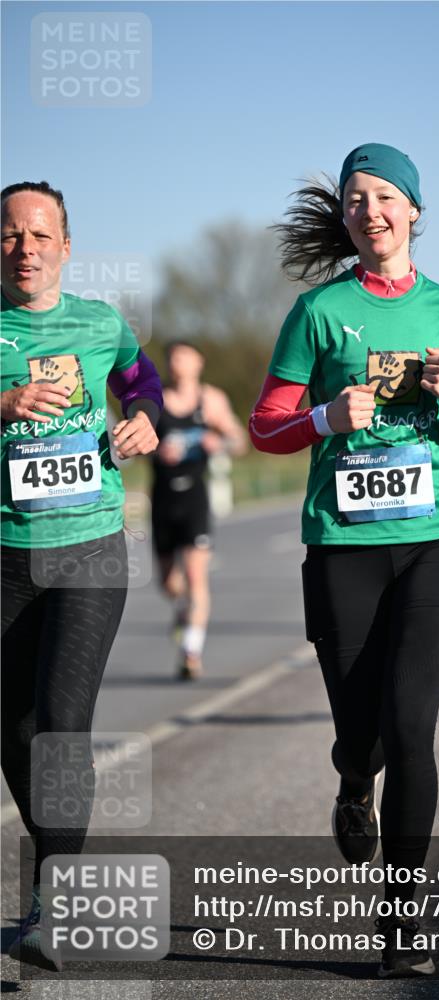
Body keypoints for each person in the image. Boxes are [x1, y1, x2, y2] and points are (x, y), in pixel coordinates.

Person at [249, 143, 439, 978]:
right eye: (355, 199)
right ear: (345, 217)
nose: (369, 211)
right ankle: (350, 781)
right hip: (344, 545)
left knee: (409, 728)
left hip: (438, 537)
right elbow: (264, 426)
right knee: (361, 736)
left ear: (412, 211)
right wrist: (325, 418)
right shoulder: (318, 312)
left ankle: (401, 926)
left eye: (384, 197)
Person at [1, 181, 162, 969]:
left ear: (65, 247)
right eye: (10, 235)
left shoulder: (101, 323)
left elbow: (141, 380)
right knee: (15, 730)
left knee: (62, 722)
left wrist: (146, 418)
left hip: (89, 544)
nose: (24, 249)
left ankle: (56, 898)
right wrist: (4, 404)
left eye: (39, 236)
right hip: (5, 553)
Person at [151, 340, 247, 679]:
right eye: (172, 358)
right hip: (163, 498)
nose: (177, 363)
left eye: (184, 357)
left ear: (198, 362)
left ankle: (190, 653)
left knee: (196, 577)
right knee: (169, 583)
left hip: (195, 497)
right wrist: (155, 450)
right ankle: (182, 609)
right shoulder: (155, 399)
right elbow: (131, 444)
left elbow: (239, 440)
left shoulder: (211, 400)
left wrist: (218, 441)